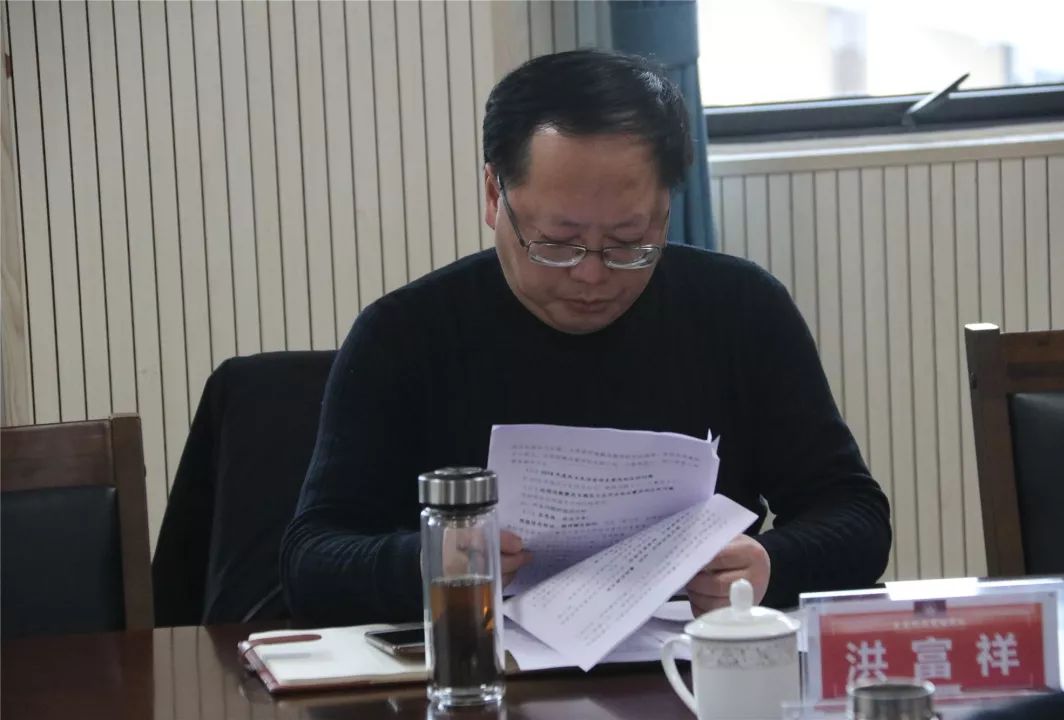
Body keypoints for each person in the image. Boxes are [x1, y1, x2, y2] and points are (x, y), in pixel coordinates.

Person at [280, 49, 891, 625]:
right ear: (494, 196)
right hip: (479, 669)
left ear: (666, 209)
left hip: (687, 669)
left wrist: (768, 565)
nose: (592, 276)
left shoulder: (741, 310)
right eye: (557, 243)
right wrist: (431, 561)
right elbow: (310, 560)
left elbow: (854, 514)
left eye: (629, 243)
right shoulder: (406, 334)